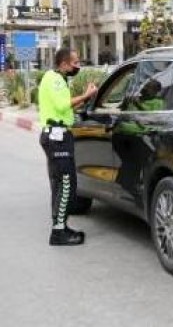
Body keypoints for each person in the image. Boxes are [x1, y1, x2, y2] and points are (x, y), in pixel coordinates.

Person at [38, 48, 98, 246]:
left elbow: (64, 108)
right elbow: (63, 105)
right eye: (75, 63)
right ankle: (58, 233)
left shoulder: (58, 79)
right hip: (57, 138)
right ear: (64, 64)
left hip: (58, 136)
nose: (78, 66)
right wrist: (86, 94)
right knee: (65, 184)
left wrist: (85, 99)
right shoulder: (54, 79)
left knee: (60, 185)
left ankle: (61, 227)